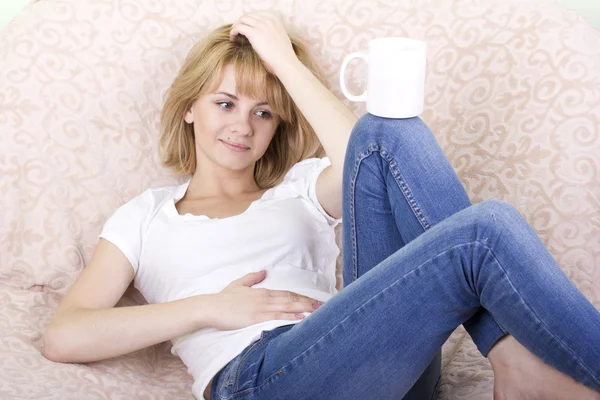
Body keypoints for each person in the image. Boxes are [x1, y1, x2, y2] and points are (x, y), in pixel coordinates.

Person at [42, 11, 600, 400]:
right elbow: (65, 334)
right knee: (485, 230)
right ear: (190, 108)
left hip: (376, 365)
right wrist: (208, 308)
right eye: (226, 102)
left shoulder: (299, 188)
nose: (242, 125)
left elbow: (371, 151)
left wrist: (284, 64)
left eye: (264, 112)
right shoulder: (147, 214)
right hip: (262, 379)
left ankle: (509, 358)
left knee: (389, 128)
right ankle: (515, 360)